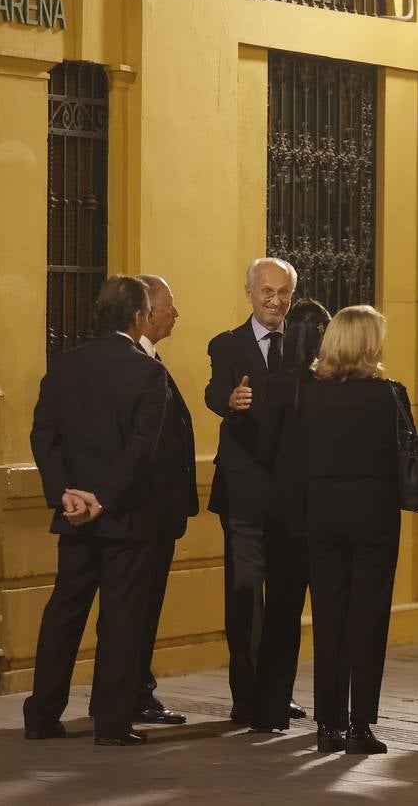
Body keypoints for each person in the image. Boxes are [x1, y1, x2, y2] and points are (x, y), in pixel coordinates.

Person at [24, 275, 168, 747]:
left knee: (65, 610)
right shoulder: (146, 372)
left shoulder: (64, 366)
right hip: (125, 516)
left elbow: (44, 434)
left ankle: (41, 714)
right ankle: (111, 723)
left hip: (73, 515)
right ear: (138, 317)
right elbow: (142, 448)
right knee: (122, 619)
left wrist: (67, 493)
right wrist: (103, 497)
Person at [297, 305, 407, 755]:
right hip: (374, 514)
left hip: (322, 513)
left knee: (328, 616)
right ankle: (361, 724)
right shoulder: (386, 394)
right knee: (368, 617)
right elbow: (401, 453)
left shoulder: (310, 393)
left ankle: (327, 724)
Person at [204, 257, 305, 724]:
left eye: (284, 293)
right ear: (249, 293)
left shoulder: (305, 347)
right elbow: (212, 391)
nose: (275, 301)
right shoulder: (227, 345)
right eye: (267, 291)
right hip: (244, 493)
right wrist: (229, 400)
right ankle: (246, 697)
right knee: (245, 598)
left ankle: (277, 694)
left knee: (285, 600)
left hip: (292, 496)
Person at [248, 298, 332, 734]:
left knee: (280, 615)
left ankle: (269, 709)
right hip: (324, 517)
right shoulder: (334, 387)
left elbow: (263, 450)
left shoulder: (277, 386)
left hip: (282, 517)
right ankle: (330, 714)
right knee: (330, 618)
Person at [131, 275, 199, 726]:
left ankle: (136, 689)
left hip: (156, 513)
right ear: (147, 313)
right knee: (137, 608)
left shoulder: (151, 361)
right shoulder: (139, 366)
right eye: (170, 307)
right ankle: (134, 692)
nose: (176, 315)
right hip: (144, 514)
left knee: (142, 608)